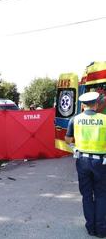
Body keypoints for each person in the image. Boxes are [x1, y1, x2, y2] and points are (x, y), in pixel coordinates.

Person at [65, 91, 106, 237]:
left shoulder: (74, 119)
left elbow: (68, 140)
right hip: (101, 162)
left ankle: (90, 228)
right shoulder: (104, 119)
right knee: (101, 195)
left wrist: (76, 147)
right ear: (97, 104)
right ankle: (101, 230)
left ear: (83, 105)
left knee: (87, 195)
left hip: (82, 161)